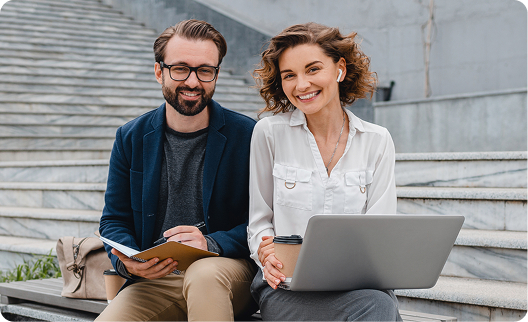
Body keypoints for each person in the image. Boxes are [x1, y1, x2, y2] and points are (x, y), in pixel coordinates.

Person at [97, 19, 257, 321]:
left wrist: (211, 243)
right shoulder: (130, 137)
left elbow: (264, 221)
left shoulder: (248, 135)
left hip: (228, 272)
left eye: (205, 70)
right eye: (181, 68)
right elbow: (114, 220)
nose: (194, 82)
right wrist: (128, 262)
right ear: (160, 71)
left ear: (216, 74)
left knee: (205, 274)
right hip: (157, 279)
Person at [247, 22, 402, 321]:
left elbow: (380, 231)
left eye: (313, 69)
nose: (301, 85)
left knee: (378, 305)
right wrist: (265, 253)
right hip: (285, 288)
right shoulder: (269, 134)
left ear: (339, 69)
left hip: (359, 289)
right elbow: (259, 221)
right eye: (289, 75)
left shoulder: (377, 140)